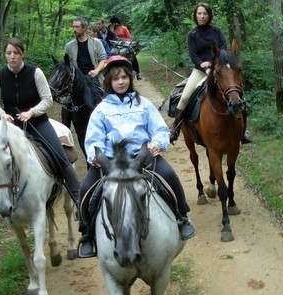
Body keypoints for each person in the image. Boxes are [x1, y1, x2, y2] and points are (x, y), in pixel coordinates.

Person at [76, 55, 196, 258]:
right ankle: (86, 233)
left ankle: (182, 216)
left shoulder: (145, 104)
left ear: (130, 78)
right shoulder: (101, 110)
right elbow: (93, 138)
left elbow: (159, 129)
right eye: (115, 79)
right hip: (111, 161)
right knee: (86, 189)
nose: (121, 82)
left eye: (124, 77)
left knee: (170, 176)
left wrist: (157, 143)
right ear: (109, 82)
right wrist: (95, 155)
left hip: (142, 156)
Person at [0, 37, 81, 228]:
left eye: (16, 53)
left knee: (60, 156)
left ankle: (79, 200)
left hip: (37, 122)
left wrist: (32, 112)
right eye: (8, 53)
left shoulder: (35, 73)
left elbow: (47, 99)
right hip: (10, 126)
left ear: (22, 54)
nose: (12, 57)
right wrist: (2, 114)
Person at [169, 2, 251, 144]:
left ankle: (242, 132)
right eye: (199, 13)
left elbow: (224, 49)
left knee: (239, 96)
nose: (202, 16)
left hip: (219, 69)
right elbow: (193, 55)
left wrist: (215, 65)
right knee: (184, 97)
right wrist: (204, 66)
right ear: (195, 15)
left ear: (209, 15)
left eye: (205, 13)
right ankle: (175, 129)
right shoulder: (192, 35)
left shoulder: (216, 31)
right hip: (200, 71)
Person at [64, 17, 107, 87]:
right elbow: (67, 64)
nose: (74, 29)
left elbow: (103, 58)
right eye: (73, 27)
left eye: (77, 27)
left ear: (84, 28)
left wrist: (97, 71)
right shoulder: (69, 46)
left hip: (94, 78)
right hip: (77, 81)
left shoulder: (96, 42)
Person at [109, 16, 142, 80]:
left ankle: (138, 72)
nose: (112, 25)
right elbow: (110, 39)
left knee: (133, 55)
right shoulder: (111, 29)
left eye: (113, 23)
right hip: (116, 47)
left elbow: (129, 38)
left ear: (116, 23)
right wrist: (112, 30)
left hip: (125, 45)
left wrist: (123, 40)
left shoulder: (124, 28)